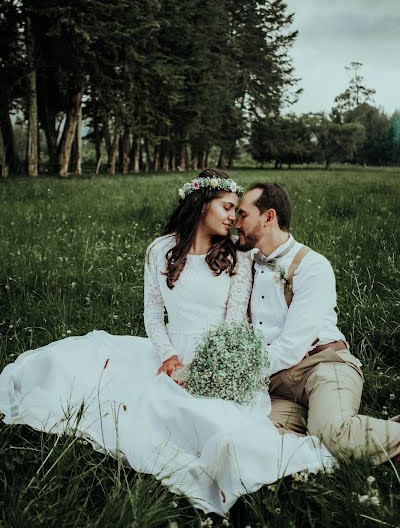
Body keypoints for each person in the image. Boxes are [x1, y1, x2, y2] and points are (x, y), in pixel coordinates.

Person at [0, 170, 334, 517]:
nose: (233, 218)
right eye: (227, 207)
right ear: (202, 203)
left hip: (215, 357)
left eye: (237, 210)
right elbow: (152, 313)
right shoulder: (160, 250)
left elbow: (234, 321)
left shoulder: (237, 256)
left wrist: (207, 368)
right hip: (168, 351)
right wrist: (169, 355)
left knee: (212, 424)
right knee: (72, 369)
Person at [236, 181, 400, 464]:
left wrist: (241, 371)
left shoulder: (313, 266)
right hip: (277, 384)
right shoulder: (244, 262)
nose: (236, 223)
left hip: (323, 366)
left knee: (332, 435)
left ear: (268, 217)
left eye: (243, 215)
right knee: (252, 439)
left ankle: (347, 434)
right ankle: (376, 441)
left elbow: (291, 346)